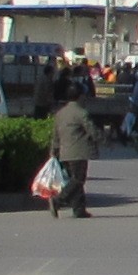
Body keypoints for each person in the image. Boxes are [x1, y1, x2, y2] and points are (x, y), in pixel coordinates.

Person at [49, 88, 98, 219]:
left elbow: (55, 135)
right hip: (78, 152)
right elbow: (92, 130)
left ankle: (79, 209)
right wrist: (104, 140)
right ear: (80, 97)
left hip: (64, 152)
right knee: (78, 179)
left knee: (74, 179)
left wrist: (54, 150)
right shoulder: (81, 113)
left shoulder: (60, 113)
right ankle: (58, 200)